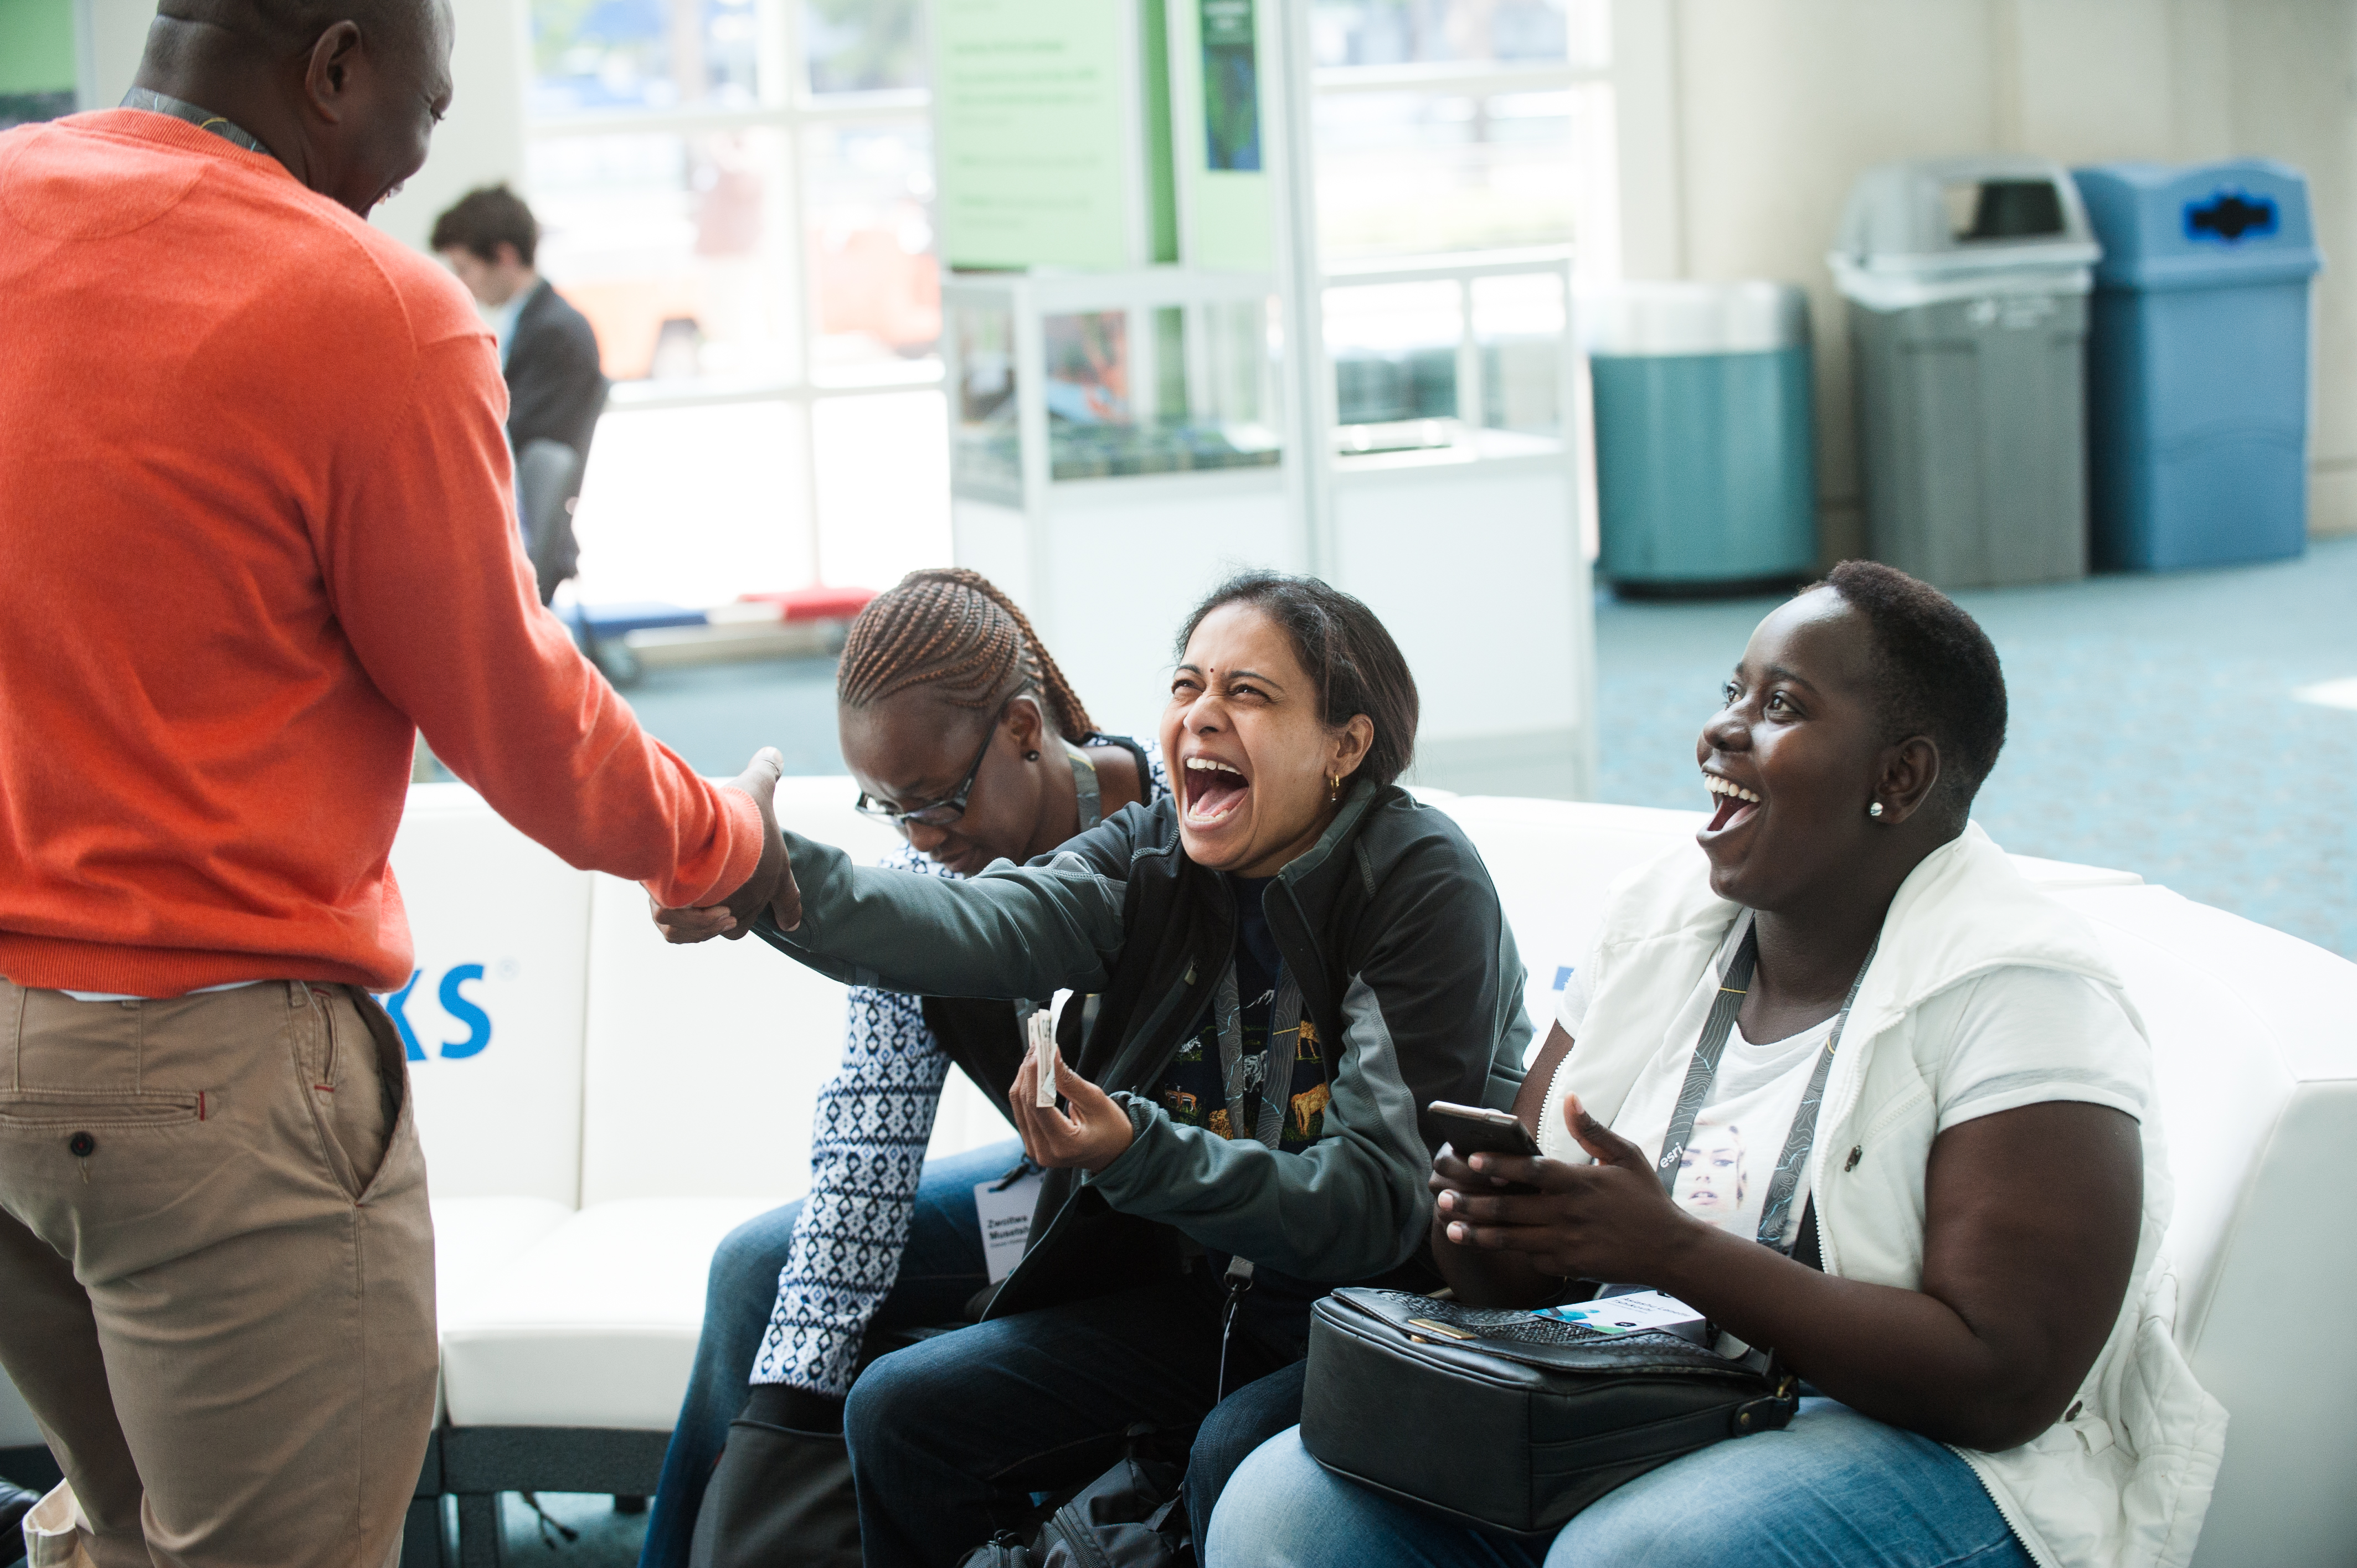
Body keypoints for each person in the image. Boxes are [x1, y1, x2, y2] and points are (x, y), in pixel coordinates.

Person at [0, 4, 790, 1565]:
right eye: (416, 121)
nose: (400, 179)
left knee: (121, 1536)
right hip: (210, 1073)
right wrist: (720, 841)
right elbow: (515, 710)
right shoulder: (359, 302)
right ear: (336, 65)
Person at [1206, 562, 2224, 1568]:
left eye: (1781, 704)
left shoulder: (2021, 987)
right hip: (1641, 1398)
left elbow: (2002, 1381)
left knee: (1636, 1556)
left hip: (1942, 1457)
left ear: (1899, 775)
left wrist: (1673, 1250)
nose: (1722, 729)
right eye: (1731, 692)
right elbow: (1522, 1284)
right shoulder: (1659, 919)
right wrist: (1484, 1221)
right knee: (1283, 1506)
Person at [656, 571, 1532, 1564]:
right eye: (1187, 684)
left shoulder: (1418, 880)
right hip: (1213, 1283)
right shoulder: (1161, 849)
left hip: (1385, 1307)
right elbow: (982, 922)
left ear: (1346, 744)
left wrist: (1137, 1149)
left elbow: (1374, 1205)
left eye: (1247, 693)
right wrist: (756, 863)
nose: (1202, 713)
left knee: (1229, 1453)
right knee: (900, 1410)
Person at [639, 568, 1169, 1568]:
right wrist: (779, 1439)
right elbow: (866, 1147)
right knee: (757, 1266)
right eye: (889, 810)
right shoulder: (930, 882)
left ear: (1023, 727)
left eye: (938, 800)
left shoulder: (1185, 831)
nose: (920, 838)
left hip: (1177, 1213)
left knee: (901, 1389)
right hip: (1057, 1190)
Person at [431, 183, 609, 604]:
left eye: (464, 268)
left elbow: (508, 439)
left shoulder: (556, 333)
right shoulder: (530, 324)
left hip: (524, 532)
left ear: (505, 257)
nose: (462, 285)